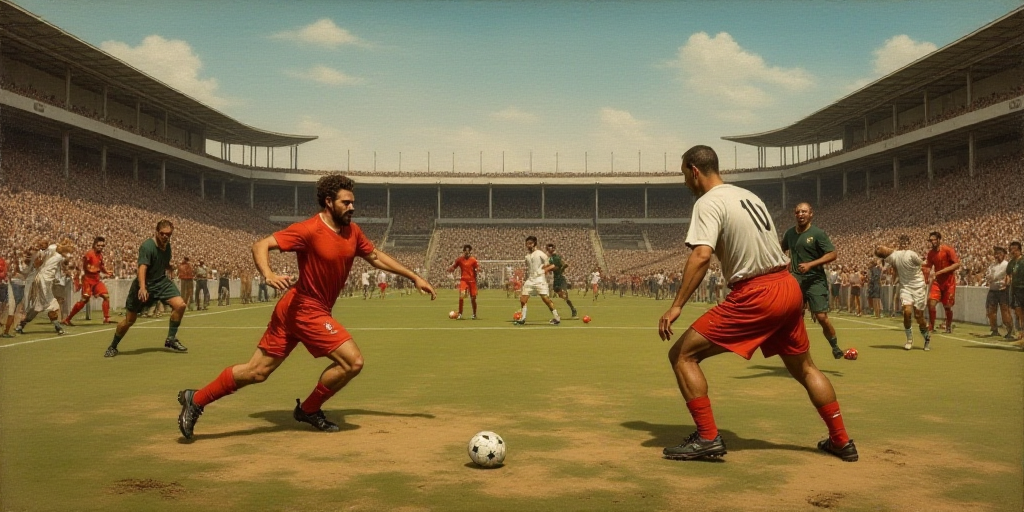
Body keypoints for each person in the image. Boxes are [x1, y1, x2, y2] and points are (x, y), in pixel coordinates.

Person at [176, 174, 436, 440]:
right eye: (346, 202)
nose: (352, 207)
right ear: (328, 202)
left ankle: (195, 398)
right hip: (305, 309)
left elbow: (375, 257)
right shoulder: (309, 230)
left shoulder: (353, 232)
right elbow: (261, 245)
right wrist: (268, 274)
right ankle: (309, 409)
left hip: (294, 308)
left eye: (352, 202)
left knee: (257, 372)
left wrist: (414, 276)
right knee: (353, 362)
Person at [658, 145, 856, 462]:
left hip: (757, 293)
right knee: (806, 368)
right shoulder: (749, 196)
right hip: (787, 286)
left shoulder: (707, 202)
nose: (685, 183)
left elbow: (701, 255)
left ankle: (707, 437)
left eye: (684, 175)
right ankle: (841, 440)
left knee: (682, 355)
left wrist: (677, 305)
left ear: (694, 171)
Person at [103, 220, 189, 357]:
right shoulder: (147, 247)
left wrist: (169, 267)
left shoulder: (168, 247)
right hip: (145, 284)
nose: (166, 237)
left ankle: (171, 339)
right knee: (130, 320)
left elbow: (163, 262)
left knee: (181, 305)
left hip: (161, 282)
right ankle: (113, 346)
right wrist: (142, 288)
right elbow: (142, 268)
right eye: (163, 234)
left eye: (169, 234)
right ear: (156, 232)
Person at [780, 202, 845, 359]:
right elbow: (781, 250)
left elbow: (832, 254)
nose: (800, 214)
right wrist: (785, 265)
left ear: (811, 214)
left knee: (821, 317)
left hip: (815, 280)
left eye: (804, 212)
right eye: (797, 212)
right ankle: (797, 351)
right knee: (795, 317)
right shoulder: (789, 234)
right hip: (796, 280)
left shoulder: (818, 234)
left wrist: (811, 264)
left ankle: (835, 346)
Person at [875, 235, 931, 351]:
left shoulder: (911, 254)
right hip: (905, 287)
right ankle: (909, 339)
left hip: (919, 286)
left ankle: (926, 338)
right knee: (907, 311)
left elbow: (923, 264)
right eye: (883, 249)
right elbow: (884, 262)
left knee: (918, 316)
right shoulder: (890, 258)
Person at [16, 239, 74, 336]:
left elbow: (65, 263)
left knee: (37, 306)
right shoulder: (52, 249)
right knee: (52, 305)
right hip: (42, 280)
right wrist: (40, 250)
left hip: (46, 281)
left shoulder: (59, 256)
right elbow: (44, 253)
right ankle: (58, 327)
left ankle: (21, 325)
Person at [513, 236, 560, 326]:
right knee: (523, 299)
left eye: (530, 243)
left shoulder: (540, 253)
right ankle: (522, 319)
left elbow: (551, 264)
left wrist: (544, 270)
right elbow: (530, 268)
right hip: (530, 279)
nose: (528, 245)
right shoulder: (527, 256)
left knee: (546, 299)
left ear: (534, 243)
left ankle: (557, 317)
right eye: (527, 243)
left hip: (539, 279)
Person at [925, 231, 960, 333]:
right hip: (938, 281)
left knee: (947, 306)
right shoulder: (931, 253)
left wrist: (941, 271)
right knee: (931, 303)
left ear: (939, 240)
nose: (932, 242)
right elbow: (928, 266)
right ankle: (931, 326)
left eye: (934, 240)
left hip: (949, 281)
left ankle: (948, 325)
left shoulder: (948, 250)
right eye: (931, 240)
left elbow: (957, 264)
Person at [984, 246, 1014, 339]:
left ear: (1004, 254)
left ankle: (1010, 330)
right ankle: (994, 329)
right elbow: (988, 276)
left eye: (999, 253)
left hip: (1003, 290)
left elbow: (1004, 276)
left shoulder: (1006, 265)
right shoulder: (992, 265)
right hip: (993, 289)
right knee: (990, 310)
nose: (997, 255)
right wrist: (991, 277)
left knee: (1005, 311)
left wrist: (1005, 282)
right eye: (996, 253)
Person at [545, 243, 578, 318]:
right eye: (548, 248)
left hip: (561, 278)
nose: (550, 250)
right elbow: (559, 267)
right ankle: (559, 310)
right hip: (556, 279)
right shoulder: (549, 258)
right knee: (561, 295)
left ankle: (573, 309)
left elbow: (560, 266)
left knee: (564, 295)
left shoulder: (557, 257)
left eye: (551, 248)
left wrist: (554, 268)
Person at [447, 244, 479, 319]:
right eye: (466, 251)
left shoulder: (473, 260)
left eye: (468, 251)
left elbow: (477, 267)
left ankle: (474, 314)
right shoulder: (460, 260)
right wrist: (451, 269)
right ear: (464, 251)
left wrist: (478, 269)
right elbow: (454, 266)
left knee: (473, 298)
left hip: (472, 281)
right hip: (464, 280)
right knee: (462, 295)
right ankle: (460, 313)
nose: (467, 253)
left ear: (470, 252)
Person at [1007, 241, 1024, 345]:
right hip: (1015, 289)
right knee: (1018, 311)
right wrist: (1007, 281)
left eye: (1014, 249)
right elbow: (1008, 274)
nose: (1012, 251)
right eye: (1011, 249)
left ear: (1019, 250)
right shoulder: (1012, 262)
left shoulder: (1022, 261)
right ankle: (1022, 332)